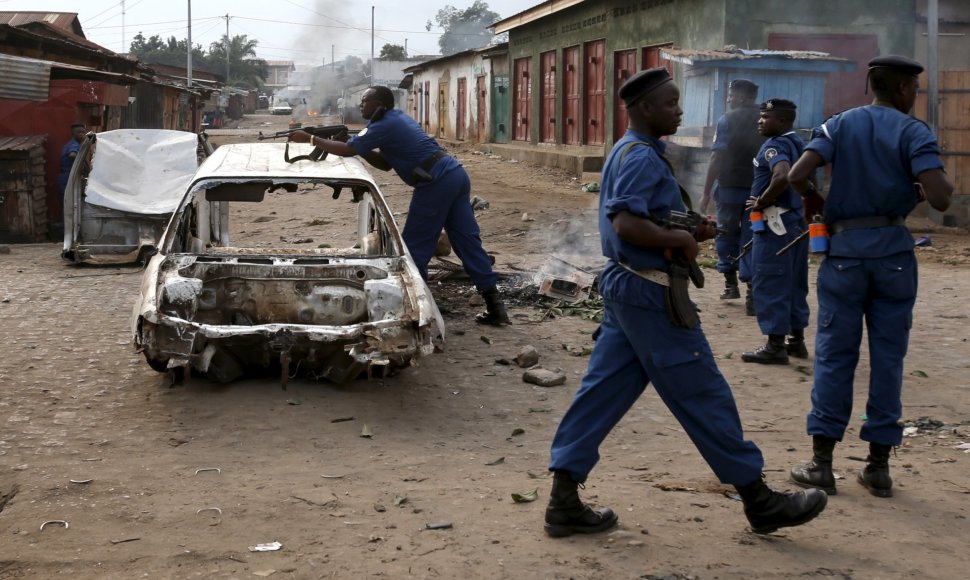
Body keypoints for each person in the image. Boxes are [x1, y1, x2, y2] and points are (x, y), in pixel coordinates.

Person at [544, 67, 827, 538]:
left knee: (601, 394)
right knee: (703, 392)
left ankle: (563, 499)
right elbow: (627, 225)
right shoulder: (640, 158)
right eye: (672, 103)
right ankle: (759, 500)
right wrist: (681, 238)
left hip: (627, 289)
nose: (680, 110)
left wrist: (690, 228)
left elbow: (644, 219)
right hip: (651, 293)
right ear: (645, 109)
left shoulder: (633, 150)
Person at [787, 55, 953, 498]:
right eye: (913, 89)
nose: (914, 97)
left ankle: (822, 464)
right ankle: (878, 468)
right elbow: (939, 198)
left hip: (844, 256)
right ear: (901, 89)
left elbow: (797, 174)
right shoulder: (914, 131)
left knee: (835, 356)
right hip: (894, 256)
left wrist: (813, 198)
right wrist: (921, 187)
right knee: (888, 359)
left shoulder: (839, 124)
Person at [287, 85, 509, 325]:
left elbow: (348, 150)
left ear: (380, 104)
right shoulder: (394, 119)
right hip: (454, 175)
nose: (361, 105)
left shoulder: (383, 125)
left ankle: (422, 312)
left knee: (414, 248)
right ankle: (496, 307)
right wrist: (359, 147)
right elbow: (385, 164)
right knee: (467, 242)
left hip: (435, 182)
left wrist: (310, 138)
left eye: (365, 101)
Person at [740, 99, 810, 365]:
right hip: (795, 223)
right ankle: (797, 342)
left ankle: (775, 346)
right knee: (794, 282)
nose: (759, 121)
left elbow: (782, 176)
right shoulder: (799, 143)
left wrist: (762, 201)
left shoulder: (775, 146)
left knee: (770, 280)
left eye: (765, 116)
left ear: (781, 121)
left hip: (774, 224)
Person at [699, 79, 765, 313]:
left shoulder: (727, 119)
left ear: (743, 97)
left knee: (725, 233)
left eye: (731, 96)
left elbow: (717, 157)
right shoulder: (766, 117)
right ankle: (752, 294)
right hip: (759, 193)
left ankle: (730, 283)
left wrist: (706, 193)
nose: (729, 99)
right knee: (752, 237)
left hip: (729, 189)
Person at [58, 123, 86, 197]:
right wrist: (81, 167)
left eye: (83, 132)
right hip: (68, 176)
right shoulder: (74, 144)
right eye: (79, 132)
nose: (82, 134)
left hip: (66, 176)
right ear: (73, 133)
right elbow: (72, 155)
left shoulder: (71, 143)